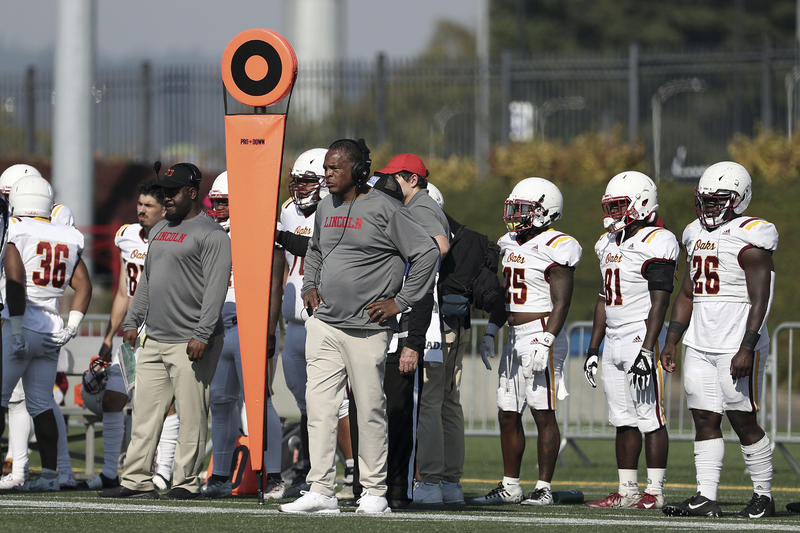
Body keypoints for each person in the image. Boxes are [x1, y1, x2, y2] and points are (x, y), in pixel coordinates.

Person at [278, 139, 439, 515]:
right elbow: (315, 250)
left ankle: (373, 493)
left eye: (335, 168)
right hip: (326, 326)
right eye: (326, 168)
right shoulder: (324, 206)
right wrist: (310, 285)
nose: (327, 175)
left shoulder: (386, 208)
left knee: (368, 410)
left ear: (359, 171)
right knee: (319, 408)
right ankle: (321, 490)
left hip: (367, 329)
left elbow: (427, 252)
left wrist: (400, 302)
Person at [100, 162, 232, 500]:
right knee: (143, 413)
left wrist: (202, 333)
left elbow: (216, 290)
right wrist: (132, 321)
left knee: (191, 416)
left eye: (172, 192)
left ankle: (186, 482)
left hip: (192, 341)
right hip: (155, 338)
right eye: (163, 191)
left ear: (192, 192)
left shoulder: (212, 234)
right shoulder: (159, 230)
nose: (166, 197)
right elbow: (147, 281)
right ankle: (135, 480)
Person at [661, 161, 778, 519]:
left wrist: (747, 346)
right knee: (703, 418)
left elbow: (763, 297)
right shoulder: (693, 233)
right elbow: (686, 292)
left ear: (740, 198)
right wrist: (672, 339)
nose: (710, 206)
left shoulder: (752, 233)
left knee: (742, 419)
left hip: (736, 340)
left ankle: (763, 496)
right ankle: (705, 496)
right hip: (700, 340)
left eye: (718, 199)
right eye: (706, 200)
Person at [348, 154, 449, 509]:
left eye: (393, 178)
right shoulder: (395, 213)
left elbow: (428, 268)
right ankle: (369, 487)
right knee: (368, 411)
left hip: (403, 328)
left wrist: (413, 341)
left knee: (400, 413)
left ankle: (397, 489)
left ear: (411, 179)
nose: (386, 184)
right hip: (378, 327)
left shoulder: (417, 210)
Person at [473, 177, 581, 506]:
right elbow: (504, 295)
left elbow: (562, 301)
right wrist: (492, 329)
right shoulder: (508, 242)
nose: (515, 214)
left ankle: (544, 487)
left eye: (524, 209)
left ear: (546, 212)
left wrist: (547, 340)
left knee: (542, 411)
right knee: (507, 411)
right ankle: (510, 486)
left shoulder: (558, 244)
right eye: (515, 207)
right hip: (513, 333)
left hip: (541, 330)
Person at [582, 171, 678, 510]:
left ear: (642, 203)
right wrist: (593, 348)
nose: (613, 213)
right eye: (611, 206)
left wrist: (648, 348)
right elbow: (602, 298)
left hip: (640, 334)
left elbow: (660, 300)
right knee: (622, 419)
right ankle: (627, 490)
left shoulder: (659, 239)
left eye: (621, 206)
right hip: (613, 338)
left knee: (650, 417)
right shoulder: (607, 242)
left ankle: (654, 491)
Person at [413, 186, 508, 505]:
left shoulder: (429, 231)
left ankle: (429, 481)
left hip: (434, 326)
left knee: (429, 402)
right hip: (457, 324)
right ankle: (451, 481)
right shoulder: (469, 237)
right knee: (449, 403)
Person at [272, 148, 356, 499]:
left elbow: (326, 249)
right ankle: (310, 468)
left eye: (307, 181)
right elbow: (280, 264)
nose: (299, 188)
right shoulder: (288, 211)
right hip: (294, 321)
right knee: (306, 403)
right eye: (297, 181)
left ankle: (353, 470)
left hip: (326, 318)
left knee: (337, 402)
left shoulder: (336, 209)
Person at [0, 174, 91, 491]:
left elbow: (14, 279)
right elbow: (84, 285)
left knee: (2, 400)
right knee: (40, 404)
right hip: (52, 327)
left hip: (21, 324)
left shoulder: (17, 228)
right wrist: (73, 325)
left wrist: (14, 327)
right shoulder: (67, 235)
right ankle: (51, 476)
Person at [77, 181, 167, 491]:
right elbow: (122, 292)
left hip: (160, 332)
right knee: (114, 397)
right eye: (140, 204)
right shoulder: (127, 236)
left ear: (164, 210)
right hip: (129, 335)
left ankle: (162, 470)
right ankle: (110, 472)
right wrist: (107, 337)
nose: (141, 210)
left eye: (148, 205)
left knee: (159, 404)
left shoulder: (171, 238)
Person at [201, 171, 283, 499]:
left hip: (249, 325)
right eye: (216, 202)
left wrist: (268, 328)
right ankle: (220, 475)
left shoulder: (261, 229)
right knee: (221, 403)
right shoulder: (207, 232)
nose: (217, 208)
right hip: (217, 328)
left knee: (259, 403)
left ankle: (274, 475)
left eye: (224, 202)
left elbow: (275, 283)